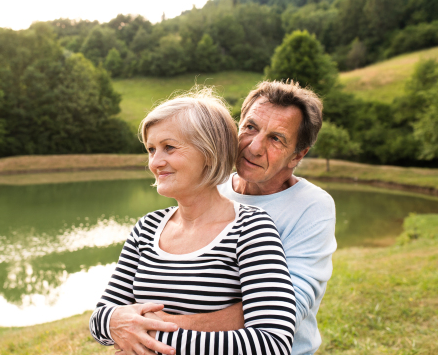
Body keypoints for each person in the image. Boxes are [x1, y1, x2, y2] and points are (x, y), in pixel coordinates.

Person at [104, 81, 337, 355]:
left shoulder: (311, 206)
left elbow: (286, 311)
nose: (254, 146)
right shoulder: (208, 186)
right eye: (250, 127)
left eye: (276, 138)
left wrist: (148, 332)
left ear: (297, 155)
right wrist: (115, 322)